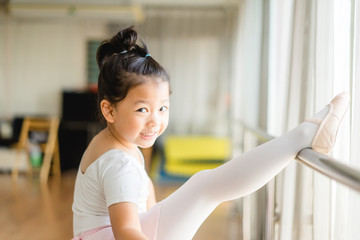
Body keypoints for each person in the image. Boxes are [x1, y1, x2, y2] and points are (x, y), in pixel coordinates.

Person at [71, 26, 350, 240]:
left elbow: (143, 194)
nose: (155, 121)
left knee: (205, 187)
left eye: (163, 108)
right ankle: (304, 135)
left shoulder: (110, 143)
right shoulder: (118, 162)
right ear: (109, 110)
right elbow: (126, 231)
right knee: (205, 187)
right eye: (143, 110)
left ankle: (303, 134)